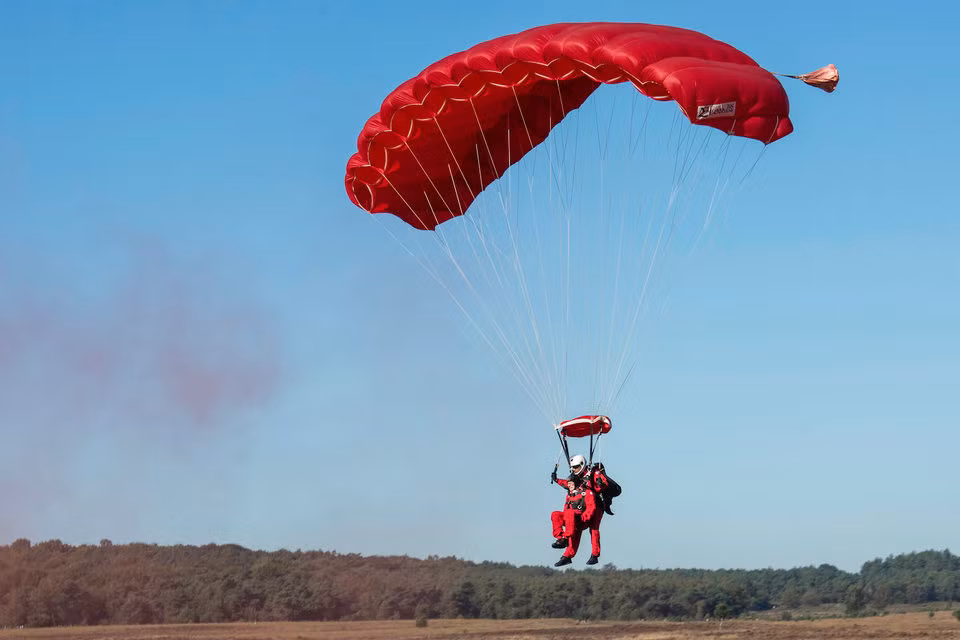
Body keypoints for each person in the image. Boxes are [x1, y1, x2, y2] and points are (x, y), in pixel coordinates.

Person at [550, 455, 600, 566]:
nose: (569, 485)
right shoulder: (570, 494)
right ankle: (561, 538)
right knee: (555, 514)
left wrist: (584, 517)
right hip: (571, 520)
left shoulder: (587, 492)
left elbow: (591, 508)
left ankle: (593, 554)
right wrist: (556, 479)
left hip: (583, 519)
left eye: (576, 467)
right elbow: (566, 483)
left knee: (590, 528)